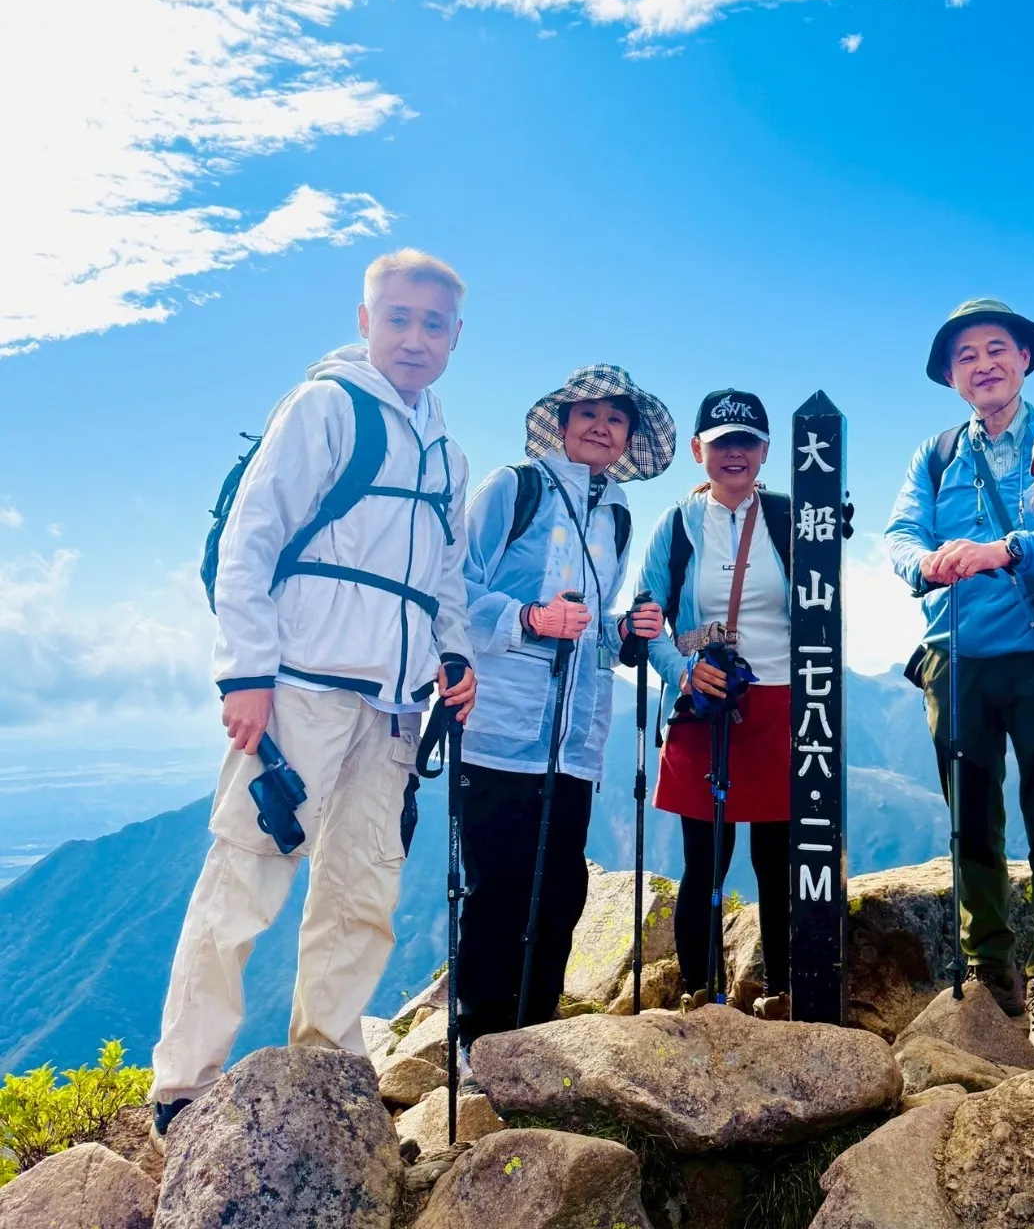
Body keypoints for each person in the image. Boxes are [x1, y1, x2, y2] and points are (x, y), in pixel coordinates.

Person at [150, 249, 477, 1139]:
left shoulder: (443, 444)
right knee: (246, 877)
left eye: (433, 322)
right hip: (299, 690)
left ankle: (329, 1067)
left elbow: (443, 575)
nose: (415, 336)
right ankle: (184, 1085)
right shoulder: (327, 407)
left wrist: (453, 660)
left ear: (456, 335)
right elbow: (252, 540)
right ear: (366, 320)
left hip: (399, 705)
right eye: (398, 317)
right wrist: (246, 674)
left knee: (362, 889)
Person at [455, 365, 673, 1038]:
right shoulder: (511, 489)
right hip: (500, 727)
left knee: (559, 891)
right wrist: (527, 618)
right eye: (590, 415)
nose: (603, 427)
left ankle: (536, 1030)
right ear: (563, 424)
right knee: (498, 887)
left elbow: (590, 626)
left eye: (617, 420)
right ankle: (481, 1036)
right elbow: (454, 593)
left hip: (575, 737)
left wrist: (625, 630)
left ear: (627, 440)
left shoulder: (615, 514)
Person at [885, 297, 1034, 1056]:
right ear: (952, 377)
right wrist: (923, 562)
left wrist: (1006, 549)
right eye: (967, 357)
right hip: (953, 655)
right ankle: (987, 968)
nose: (984, 364)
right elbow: (901, 532)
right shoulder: (933, 455)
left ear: (1024, 359)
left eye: (997, 349)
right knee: (971, 817)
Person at [636, 390, 793, 1018]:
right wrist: (683, 671)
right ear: (699, 450)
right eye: (722, 442)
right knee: (706, 859)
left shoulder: (787, 516)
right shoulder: (674, 526)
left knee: (778, 857)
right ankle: (699, 994)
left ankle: (784, 989)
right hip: (705, 704)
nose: (735, 453)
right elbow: (646, 620)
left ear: (765, 452)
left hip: (782, 702)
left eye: (747, 442)